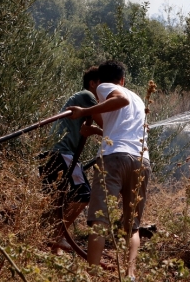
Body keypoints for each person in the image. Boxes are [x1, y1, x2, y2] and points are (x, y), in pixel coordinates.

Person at [69, 60, 151, 280]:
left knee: (100, 220)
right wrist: (95, 130)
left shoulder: (106, 87)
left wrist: (84, 110)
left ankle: (92, 275)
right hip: (141, 161)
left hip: (114, 160)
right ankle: (130, 275)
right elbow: (116, 127)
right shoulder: (139, 98)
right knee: (132, 225)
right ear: (123, 79)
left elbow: (120, 100)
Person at [39, 66, 103, 254]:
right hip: (61, 153)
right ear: (93, 83)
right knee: (83, 195)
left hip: (50, 154)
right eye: (103, 84)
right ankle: (56, 236)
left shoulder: (83, 101)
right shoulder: (87, 96)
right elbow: (104, 121)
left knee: (57, 203)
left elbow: (90, 127)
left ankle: (51, 249)